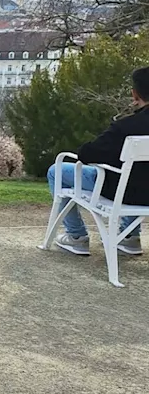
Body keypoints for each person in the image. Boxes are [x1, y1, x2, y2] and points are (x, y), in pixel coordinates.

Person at [48, 66, 149, 256]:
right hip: (144, 192)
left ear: (135, 94)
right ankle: (129, 238)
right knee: (139, 172)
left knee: (57, 171)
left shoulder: (126, 127)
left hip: (124, 192)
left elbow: (88, 154)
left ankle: (76, 236)